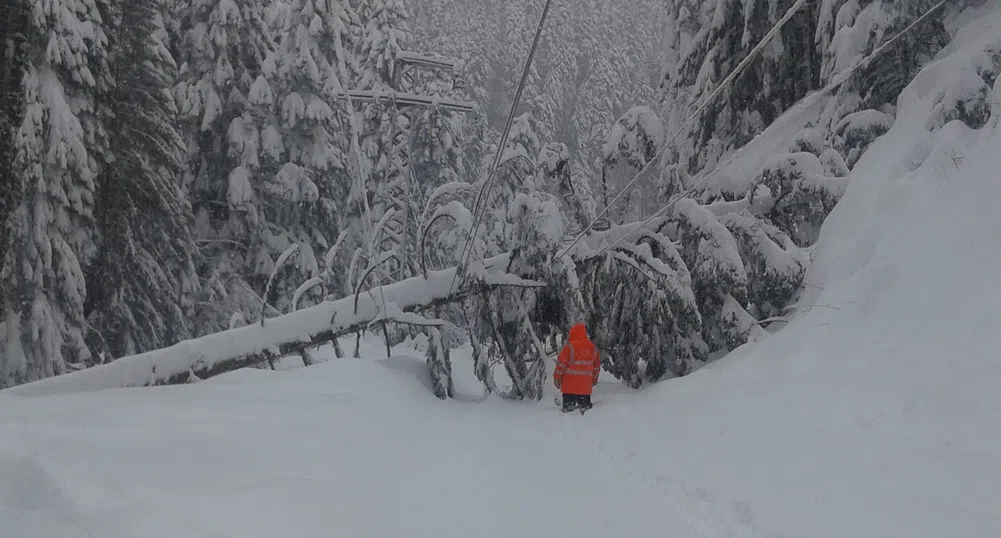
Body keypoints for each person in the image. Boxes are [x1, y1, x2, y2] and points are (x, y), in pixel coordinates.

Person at [553, 323, 600, 414]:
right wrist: (594, 380)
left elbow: (561, 365)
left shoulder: (569, 347)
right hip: (585, 388)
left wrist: (557, 378)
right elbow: (596, 367)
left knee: (568, 415)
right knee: (585, 415)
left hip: (569, 388)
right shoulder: (592, 348)